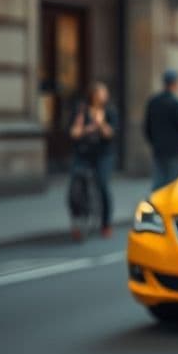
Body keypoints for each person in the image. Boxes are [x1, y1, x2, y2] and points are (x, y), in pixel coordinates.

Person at [68, 82, 118, 239]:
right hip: (83, 154)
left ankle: (106, 223)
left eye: (104, 93)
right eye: (99, 93)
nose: (102, 96)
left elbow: (110, 134)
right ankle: (77, 222)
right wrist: (86, 129)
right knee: (74, 188)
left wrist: (101, 122)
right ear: (93, 95)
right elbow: (74, 133)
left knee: (102, 184)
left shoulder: (110, 111)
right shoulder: (82, 110)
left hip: (103, 155)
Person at [144, 69, 178, 191]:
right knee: (173, 183)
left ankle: (156, 206)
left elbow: (147, 127)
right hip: (175, 149)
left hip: (158, 147)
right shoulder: (175, 103)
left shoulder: (153, 102)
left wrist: (154, 141)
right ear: (175, 84)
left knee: (159, 181)